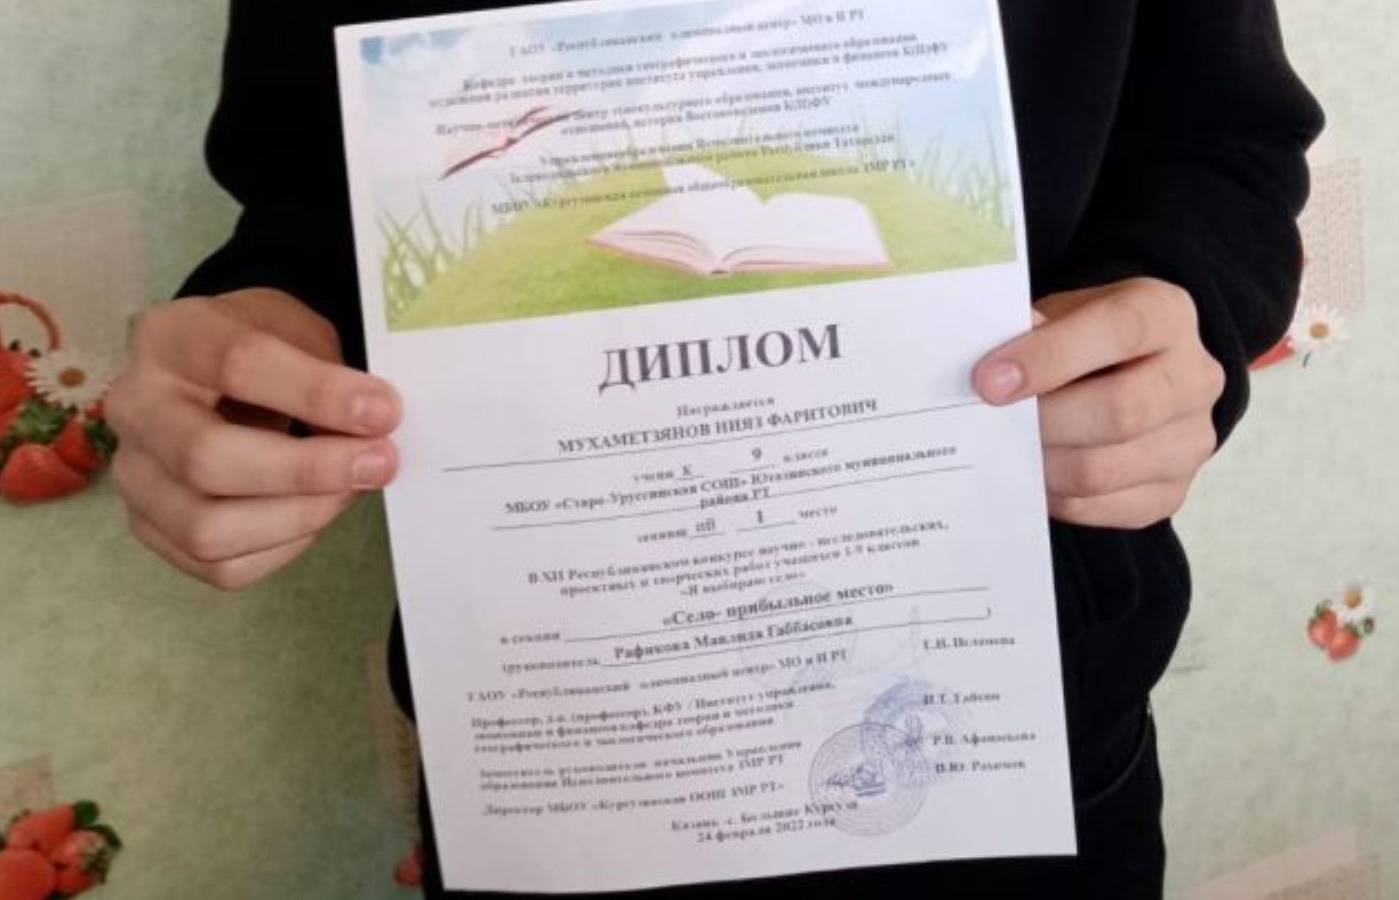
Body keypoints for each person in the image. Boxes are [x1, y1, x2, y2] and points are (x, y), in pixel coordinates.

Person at [105, 0, 1322, 896]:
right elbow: (314, 200)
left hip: (1015, 716)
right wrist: (256, 358)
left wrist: (1178, 322)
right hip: (563, 741)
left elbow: (1226, 149)